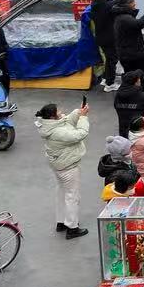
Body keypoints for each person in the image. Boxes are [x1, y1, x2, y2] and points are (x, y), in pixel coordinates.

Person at [35, 101, 92, 240]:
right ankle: (72, 227)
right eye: (58, 111)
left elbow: (67, 121)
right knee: (72, 196)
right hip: (68, 167)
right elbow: (80, 134)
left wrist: (79, 112)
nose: (61, 111)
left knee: (61, 193)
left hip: (58, 166)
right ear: (53, 117)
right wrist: (84, 118)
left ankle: (61, 222)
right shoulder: (58, 132)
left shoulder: (49, 125)